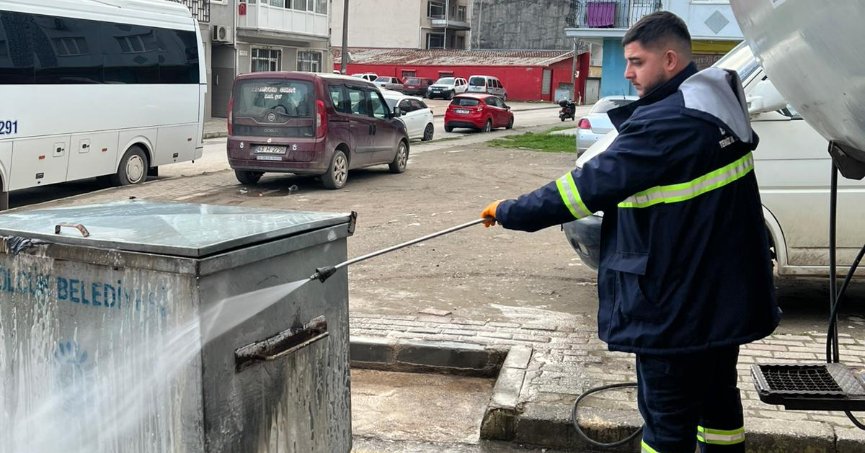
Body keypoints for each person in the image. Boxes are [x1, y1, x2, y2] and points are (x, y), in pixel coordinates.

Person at [480, 11, 780, 453]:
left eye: (637, 62)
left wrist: (508, 211)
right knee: (718, 403)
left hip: (676, 306)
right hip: (720, 299)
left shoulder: (665, 124)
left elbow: (581, 191)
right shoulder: (714, 108)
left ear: (671, 60)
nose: (629, 73)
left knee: (666, 423)